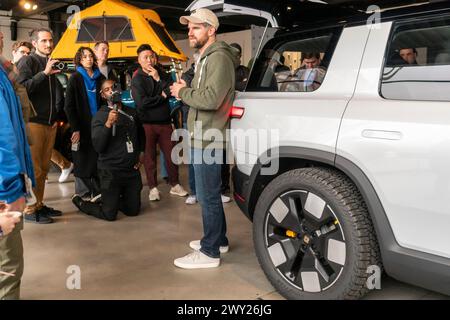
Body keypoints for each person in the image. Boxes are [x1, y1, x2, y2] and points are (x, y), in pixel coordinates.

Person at [170, 8, 239, 269]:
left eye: (196, 27)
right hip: (203, 135)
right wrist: (186, 91)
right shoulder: (206, 57)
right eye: (189, 27)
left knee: (208, 196)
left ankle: (210, 253)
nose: (190, 31)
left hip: (208, 138)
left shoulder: (218, 57)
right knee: (209, 194)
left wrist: (183, 91)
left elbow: (211, 99)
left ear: (211, 30)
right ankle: (218, 240)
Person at [71, 80, 144, 221]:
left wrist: (141, 152)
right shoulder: (99, 116)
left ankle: (110, 198)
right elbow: (98, 146)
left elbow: (141, 134)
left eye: (114, 87)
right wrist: (108, 124)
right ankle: (81, 203)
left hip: (131, 170)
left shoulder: (132, 113)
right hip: (110, 172)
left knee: (133, 211)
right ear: (103, 95)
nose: (112, 91)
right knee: (109, 215)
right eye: (107, 89)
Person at [16, 28, 64, 223]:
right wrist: (44, 74)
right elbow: (21, 88)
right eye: (44, 41)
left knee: (43, 169)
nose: (48, 44)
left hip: (50, 123)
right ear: (34, 43)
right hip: (34, 123)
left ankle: (39, 204)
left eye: (50, 40)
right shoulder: (28, 61)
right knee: (34, 169)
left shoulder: (50, 61)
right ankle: (29, 210)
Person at [131, 44, 188, 201]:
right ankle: (153, 188)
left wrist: (157, 79)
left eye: (151, 56)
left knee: (171, 155)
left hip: (164, 122)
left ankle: (175, 184)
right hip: (146, 124)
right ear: (139, 60)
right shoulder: (137, 79)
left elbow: (172, 90)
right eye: (145, 57)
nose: (149, 60)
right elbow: (141, 103)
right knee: (149, 158)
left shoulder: (162, 73)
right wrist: (161, 97)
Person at [0, 46, 35, 299]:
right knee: (8, 267)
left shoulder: (4, 73)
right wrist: (11, 190)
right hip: (4, 190)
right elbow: (3, 140)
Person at [64, 46, 105, 202]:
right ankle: (82, 194)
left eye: (90, 56)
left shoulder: (99, 77)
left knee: (98, 157)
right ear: (79, 60)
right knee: (82, 158)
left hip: (98, 125)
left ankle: (98, 191)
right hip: (81, 125)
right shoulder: (75, 77)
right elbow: (69, 106)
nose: (88, 59)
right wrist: (75, 129)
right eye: (85, 56)